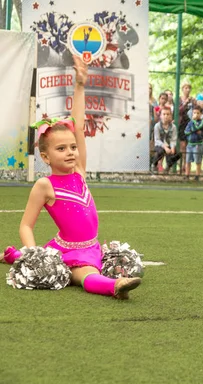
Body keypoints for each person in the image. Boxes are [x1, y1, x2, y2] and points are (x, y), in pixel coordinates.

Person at [2, 56, 141, 299]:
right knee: (84, 275)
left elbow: (78, 127)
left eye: (72, 147)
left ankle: (13, 255)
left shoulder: (79, 171)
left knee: (123, 263)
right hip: (70, 252)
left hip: (92, 247)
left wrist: (80, 85)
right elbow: (26, 224)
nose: (70, 153)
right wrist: (36, 254)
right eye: (61, 149)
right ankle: (115, 287)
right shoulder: (45, 185)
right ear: (45, 157)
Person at [151, 106, 181, 174]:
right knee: (161, 151)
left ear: (171, 116)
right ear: (160, 116)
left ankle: (168, 166)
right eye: (164, 114)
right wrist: (165, 147)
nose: (166, 116)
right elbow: (157, 139)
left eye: (168, 114)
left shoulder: (173, 127)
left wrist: (172, 147)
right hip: (160, 145)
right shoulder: (157, 126)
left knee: (177, 154)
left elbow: (173, 139)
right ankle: (154, 165)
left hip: (169, 145)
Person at [178, 80, 195, 173]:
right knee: (182, 145)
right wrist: (185, 103)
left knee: (189, 145)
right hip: (181, 124)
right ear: (182, 89)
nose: (187, 90)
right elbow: (178, 111)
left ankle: (187, 165)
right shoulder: (179, 99)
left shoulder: (192, 100)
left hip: (190, 124)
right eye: (186, 88)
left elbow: (195, 111)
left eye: (189, 88)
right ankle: (181, 164)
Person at [184, 106, 203, 181]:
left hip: (197, 144)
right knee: (188, 160)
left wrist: (194, 128)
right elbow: (186, 131)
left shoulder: (201, 121)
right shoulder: (190, 122)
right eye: (194, 113)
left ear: (201, 114)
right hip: (190, 144)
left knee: (197, 160)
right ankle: (187, 175)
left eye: (198, 113)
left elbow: (196, 127)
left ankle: (197, 175)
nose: (196, 114)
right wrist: (193, 130)